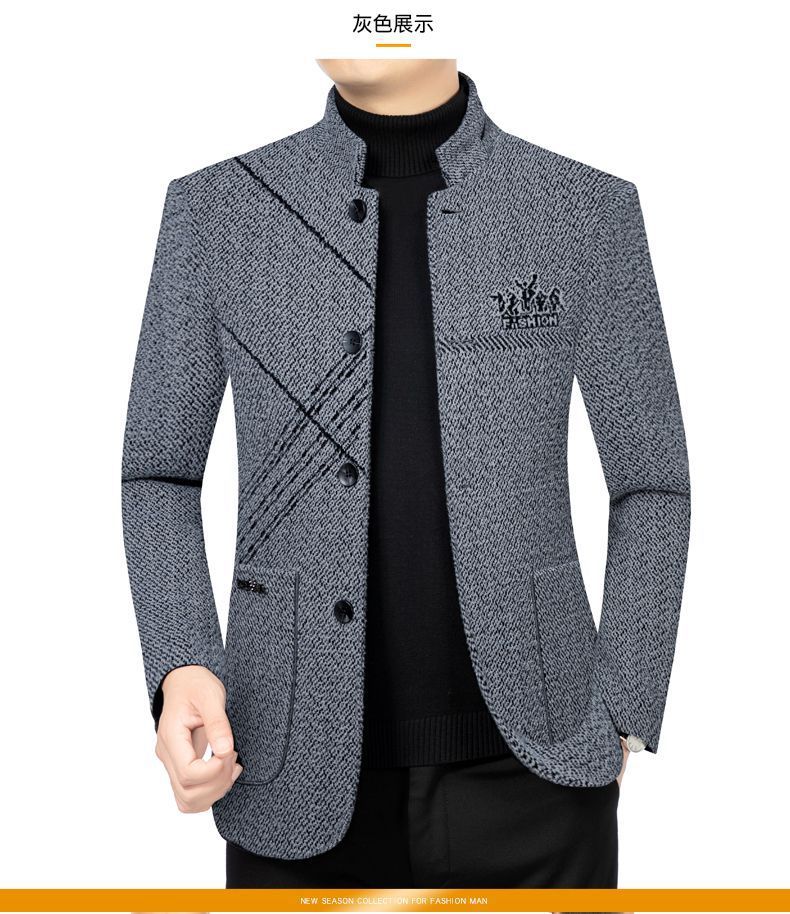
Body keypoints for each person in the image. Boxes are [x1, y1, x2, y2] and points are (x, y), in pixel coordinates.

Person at [121, 59, 690, 888]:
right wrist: (182, 665)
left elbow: (652, 480)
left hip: (541, 782)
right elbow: (159, 474)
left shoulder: (582, 209)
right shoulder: (217, 211)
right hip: (286, 776)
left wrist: (622, 711)